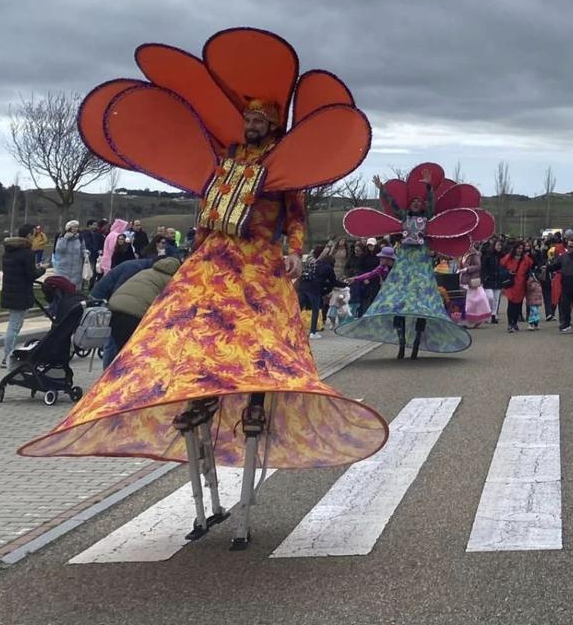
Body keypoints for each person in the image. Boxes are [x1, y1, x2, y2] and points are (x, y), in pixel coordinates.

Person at [23, 30, 387, 552]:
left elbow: (295, 218)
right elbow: (206, 212)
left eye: (260, 116)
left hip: (259, 263)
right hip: (214, 260)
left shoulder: (285, 170)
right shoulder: (229, 160)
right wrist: (199, 243)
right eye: (249, 116)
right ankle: (198, 407)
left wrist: (293, 248)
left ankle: (251, 415)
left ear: (272, 122)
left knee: (260, 346)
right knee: (188, 331)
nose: (252, 122)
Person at [339, 166, 482, 359]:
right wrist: (382, 188)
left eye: (418, 201)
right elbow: (393, 205)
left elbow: (431, 205)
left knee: (422, 305)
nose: (416, 203)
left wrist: (430, 188)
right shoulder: (404, 217)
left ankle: (415, 343)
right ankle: (401, 342)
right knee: (398, 304)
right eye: (413, 201)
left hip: (421, 263)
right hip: (405, 262)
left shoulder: (426, 217)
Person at [101, 254, 182, 368]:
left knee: (119, 348)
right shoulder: (172, 281)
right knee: (133, 351)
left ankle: (110, 374)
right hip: (135, 315)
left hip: (114, 308)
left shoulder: (146, 272)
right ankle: (122, 377)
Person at [0, 223, 44, 368]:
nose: (34, 237)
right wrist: (42, 270)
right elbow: (31, 274)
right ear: (28, 236)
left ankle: (8, 353)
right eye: (33, 234)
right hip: (21, 292)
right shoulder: (27, 253)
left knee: (13, 324)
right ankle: (8, 355)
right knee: (14, 326)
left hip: (10, 290)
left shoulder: (9, 251)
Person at [500, 241, 533, 333]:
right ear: (515, 249)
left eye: (521, 248)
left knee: (518, 305)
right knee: (511, 304)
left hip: (521, 285)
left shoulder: (526, 259)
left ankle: (514, 322)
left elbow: (530, 268)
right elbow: (501, 269)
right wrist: (507, 272)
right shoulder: (508, 258)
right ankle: (510, 324)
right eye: (518, 248)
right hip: (511, 284)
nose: (519, 250)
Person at [459, 245, 491, 328]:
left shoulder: (474, 254)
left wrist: (467, 269)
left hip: (471, 281)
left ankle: (474, 320)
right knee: (466, 302)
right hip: (464, 280)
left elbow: (478, 266)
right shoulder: (463, 254)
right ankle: (467, 320)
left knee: (473, 302)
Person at [53, 220, 88, 290]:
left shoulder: (80, 238)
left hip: (76, 268)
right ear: (69, 228)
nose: (76, 229)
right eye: (74, 227)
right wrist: (65, 239)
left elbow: (83, 248)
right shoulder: (62, 237)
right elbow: (59, 250)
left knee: (74, 288)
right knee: (63, 287)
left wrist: (85, 253)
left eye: (77, 227)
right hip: (63, 268)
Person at [481, 239, 505, 324]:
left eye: (500, 245)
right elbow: (483, 267)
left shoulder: (502, 256)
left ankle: (493, 314)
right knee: (490, 297)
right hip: (489, 279)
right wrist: (484, 277)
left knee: (496, 299)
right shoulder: (488, 256)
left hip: (498, 279)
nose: (499, 247)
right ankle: (488, 313)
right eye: (498, 245)